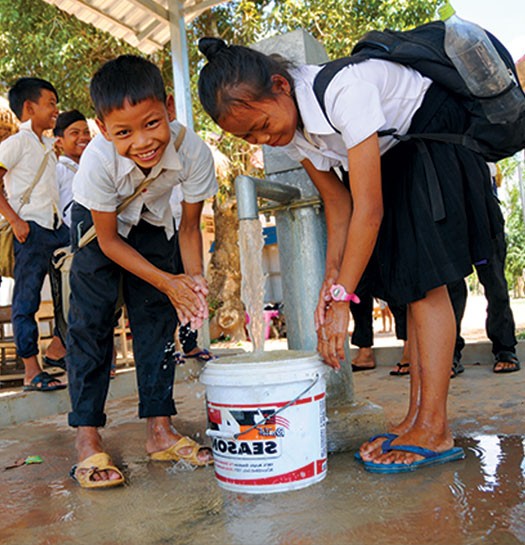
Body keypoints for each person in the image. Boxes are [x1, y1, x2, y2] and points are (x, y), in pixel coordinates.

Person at [197, 37, 501, 473]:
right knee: (410, 285)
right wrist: (331, 280)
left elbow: (369, 210)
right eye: (249, 137)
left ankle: (434, 427)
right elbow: (339, 206)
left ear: (280, 85)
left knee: (426, 286)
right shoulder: (296, 132)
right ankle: (416, 418)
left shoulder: (343, 90)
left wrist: (344, 299)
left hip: (435, 141)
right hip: (400, 156)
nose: (263, 139)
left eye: (260, 125)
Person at [67, 55, 218, 488]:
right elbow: (110, 241)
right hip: (100, 228)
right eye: (123, 133)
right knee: (91, 324)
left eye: (152, 124)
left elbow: (189, 227)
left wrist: (191, 283)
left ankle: (159, 431)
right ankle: (87, 437)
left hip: (153, 220)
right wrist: (168, 281)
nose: (142, 142)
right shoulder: (97, 161)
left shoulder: (193, 152)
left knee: (156, 321)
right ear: (102, 130)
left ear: (169, 108)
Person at [0, 78, 69, 392]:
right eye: (51, 103)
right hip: (30, 228)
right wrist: (15, 220)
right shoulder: (16, 142)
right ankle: (31, 370)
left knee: (73, 287)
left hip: (56, 228)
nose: (56, 110)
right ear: (29, 108)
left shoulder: (47, 146)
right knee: (26, 300)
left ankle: (59, 347)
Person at [43, 110, 92, 370]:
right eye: (75, 133)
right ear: (59, 140)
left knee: (81, 303)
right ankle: (59, 354)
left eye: (86, 132)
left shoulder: (88, 167)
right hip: (67, 248)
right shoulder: (59, 170)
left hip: (87, 245)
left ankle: (59, 353)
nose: (83, 137)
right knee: (69, 305)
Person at [169, 185, 216, 363]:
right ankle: (167, 348)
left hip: (182, 230)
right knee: (160, 291)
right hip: (154, 231)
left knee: (191, 286)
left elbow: (191, 222)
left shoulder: (188, 167)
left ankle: (189, 344)